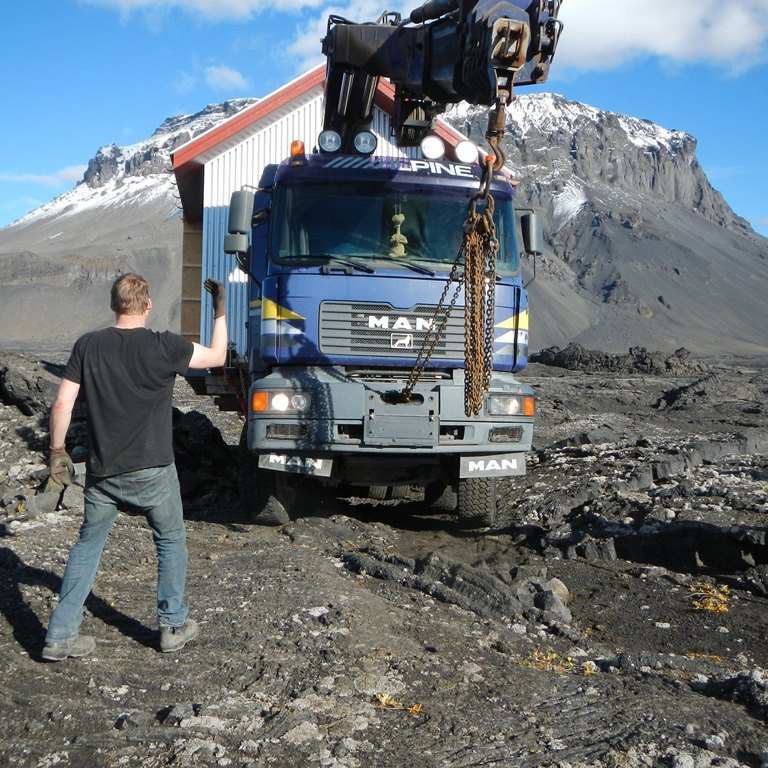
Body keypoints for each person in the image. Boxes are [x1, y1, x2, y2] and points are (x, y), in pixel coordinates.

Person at [42, 273, 227, 661]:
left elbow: (61, 405)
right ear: (148, 305)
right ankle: (172, 626)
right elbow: (218, 358)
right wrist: (220, 311)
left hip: (103, 471)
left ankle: (59, 635)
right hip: (154, 469)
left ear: (114, 305)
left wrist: (57, 450)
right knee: (170, 540)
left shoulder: (88, 346)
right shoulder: (165, 346)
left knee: (87, 546)